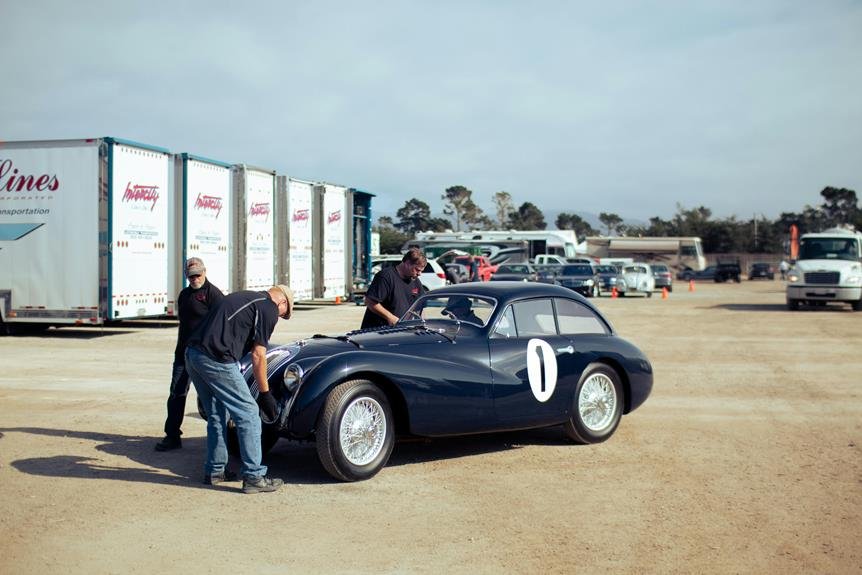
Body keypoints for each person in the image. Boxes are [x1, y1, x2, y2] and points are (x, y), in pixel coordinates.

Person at [185, 284, 294, 494]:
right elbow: (258, 355)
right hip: (216, 359)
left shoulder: (244, 297)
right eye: (284, 314)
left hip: (193, 355)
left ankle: (215, 470)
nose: (279, 318)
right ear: (282, 302)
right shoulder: (268, 308)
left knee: (217, 413)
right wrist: (265, 393)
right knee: (250, 414)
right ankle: (254, 476)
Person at [155, 257, 224, 452]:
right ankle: (172, 435)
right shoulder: (184, 295)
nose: (195, 279)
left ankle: (217, 441)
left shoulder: (214, 294)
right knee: (176, 392)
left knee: (210, 398)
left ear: (205, 272)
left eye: (198, 275)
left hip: (205, 355)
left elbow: (221, 325)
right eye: (191, 275)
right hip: (183, 354)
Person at [360, 248, 427, 329]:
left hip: (402, 331)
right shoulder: (385, 277)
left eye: (421, 271)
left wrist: (420, 323)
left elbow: (419, 307)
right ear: (407, 263)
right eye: (417, 270)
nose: (419, 274)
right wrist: (390, 317)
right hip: (378, 332)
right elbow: (370, 301)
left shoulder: (415, 281)